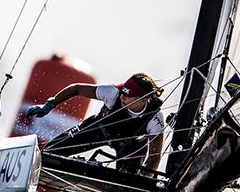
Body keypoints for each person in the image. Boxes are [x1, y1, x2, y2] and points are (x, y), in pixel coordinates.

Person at [27, 72, 165, 175]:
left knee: (129, 183)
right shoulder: (112, 93)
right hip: (99, 130)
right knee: (49, 153)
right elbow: (77, 88)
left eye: (128, 95)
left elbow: (154, 157)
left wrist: (145, 178)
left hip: (130, 145)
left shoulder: (155, 118)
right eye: (123, 92)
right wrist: (50, 104)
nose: (122, 97)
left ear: (143, 99)